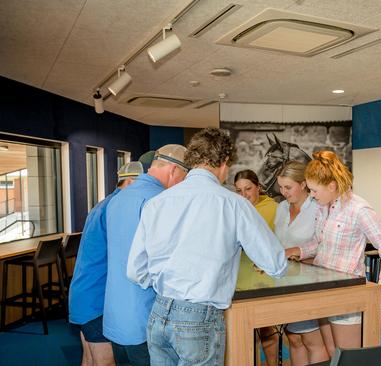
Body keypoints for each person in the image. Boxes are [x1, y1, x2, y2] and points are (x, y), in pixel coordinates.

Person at [126, 127, 288, 365]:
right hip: (199, 318)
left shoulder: (156, 203)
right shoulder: (233, 204)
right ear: (224, 162)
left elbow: (135, 271)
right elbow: (275, 264)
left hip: (159, 313)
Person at [285, 151, 381, 349]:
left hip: (347, 293)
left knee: (348, 359)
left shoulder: (359, 210)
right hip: (322, 289)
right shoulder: (323, 206)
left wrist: (380, 291)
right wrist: (296, 251)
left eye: (314, 190)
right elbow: (319, 244)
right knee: (331, 354)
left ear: (332, 185)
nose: (311, 195)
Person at [103, 144, 188, 366]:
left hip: (116, 316)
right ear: (173, 170)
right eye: (185, 177)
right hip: (144, 318)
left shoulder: (117, 199)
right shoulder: (160, 201)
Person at [69, 161, 143, 366]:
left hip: (85, 295)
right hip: (96, 300)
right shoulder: (117, 207)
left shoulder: (104, 204)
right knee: (106, 361)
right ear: (130, 182)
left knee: (90, 359)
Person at [274, 161, 329, 366]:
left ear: (304, 184)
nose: (283, 192)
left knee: (312, 340)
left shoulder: (318, 209)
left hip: (310, 283)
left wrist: (298, 254)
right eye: (281, 187)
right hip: (285, 283)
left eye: (288, 187)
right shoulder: (281, 208)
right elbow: (278, 242)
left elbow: (323, 246)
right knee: (295, 339)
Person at [234, 168, 281, 364]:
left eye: (248, 188)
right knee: (245, 328)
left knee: (266, 327)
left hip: (263, 275)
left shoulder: (273, 208)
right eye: (239, 190)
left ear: (258, 187)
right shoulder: (235, 208)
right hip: (239, 275)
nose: (244, 194)